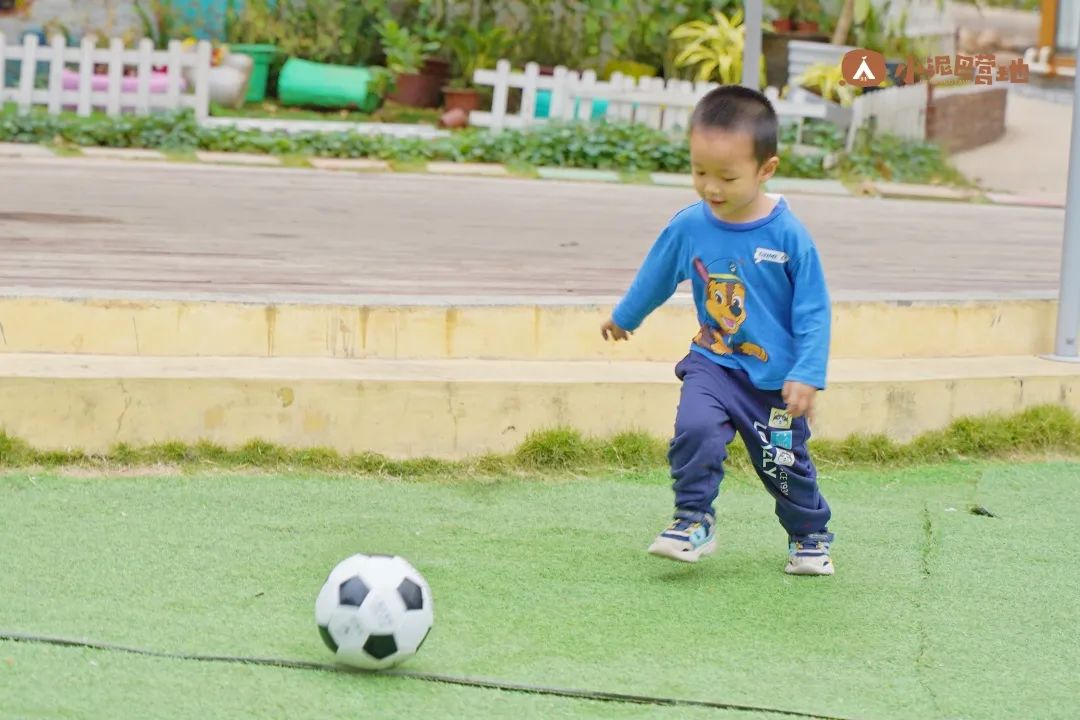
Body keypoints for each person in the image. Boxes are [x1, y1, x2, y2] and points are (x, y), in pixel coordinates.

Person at [600, 85, 835, 575]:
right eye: (699, 172)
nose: (711, 187)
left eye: (727, 176)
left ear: (765, 169)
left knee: (784, 466)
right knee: (696, 429)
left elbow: (813, 311)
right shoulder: (690, 226)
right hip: (715, 362)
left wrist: (808, 372)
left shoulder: (790, 236)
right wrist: (625, 316)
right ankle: (692, 519)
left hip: (776, 382)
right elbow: (658, 274)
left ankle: (809, 534)